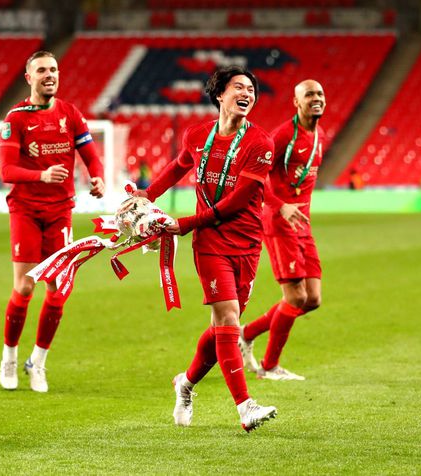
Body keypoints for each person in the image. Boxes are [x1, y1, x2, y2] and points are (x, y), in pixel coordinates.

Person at [134, 66, 277, 431]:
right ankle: (245, 407)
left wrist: (182, 224)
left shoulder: (259, 144)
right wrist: (145, 196)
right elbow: (177, 167)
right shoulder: (197, 135)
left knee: (220, 330)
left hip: (246, 243)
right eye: (239, 87)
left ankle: (185, 382)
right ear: (219, 95)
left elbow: (234, 203)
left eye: (251, 89)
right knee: (229, 319)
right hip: (211, 244)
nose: (247, 93)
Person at [0, 51, 105, 393]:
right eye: (42, 70)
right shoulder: (15, 118)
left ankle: (38, 362)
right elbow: (6, 171)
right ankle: (10, 356)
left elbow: (91, 156)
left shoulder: (70, 114)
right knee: (25, 286)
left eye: (54, 69)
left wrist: (98, 178)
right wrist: (42, 174)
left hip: (61, 211)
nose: (50, 75)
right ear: (28, 77)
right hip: (26, 210)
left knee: (59, 290)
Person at [238, 79, 325, 381]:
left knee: (312, 299)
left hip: (304, 226)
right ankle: (269, 366)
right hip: (279, 223)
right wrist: (281, 206)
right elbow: (254, 177)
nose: (316, 98)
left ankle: (246, 333)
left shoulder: (318, 135)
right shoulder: (283, 135)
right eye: (309, 94)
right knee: (295, 297)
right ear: (296, 102)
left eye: (320, 94)